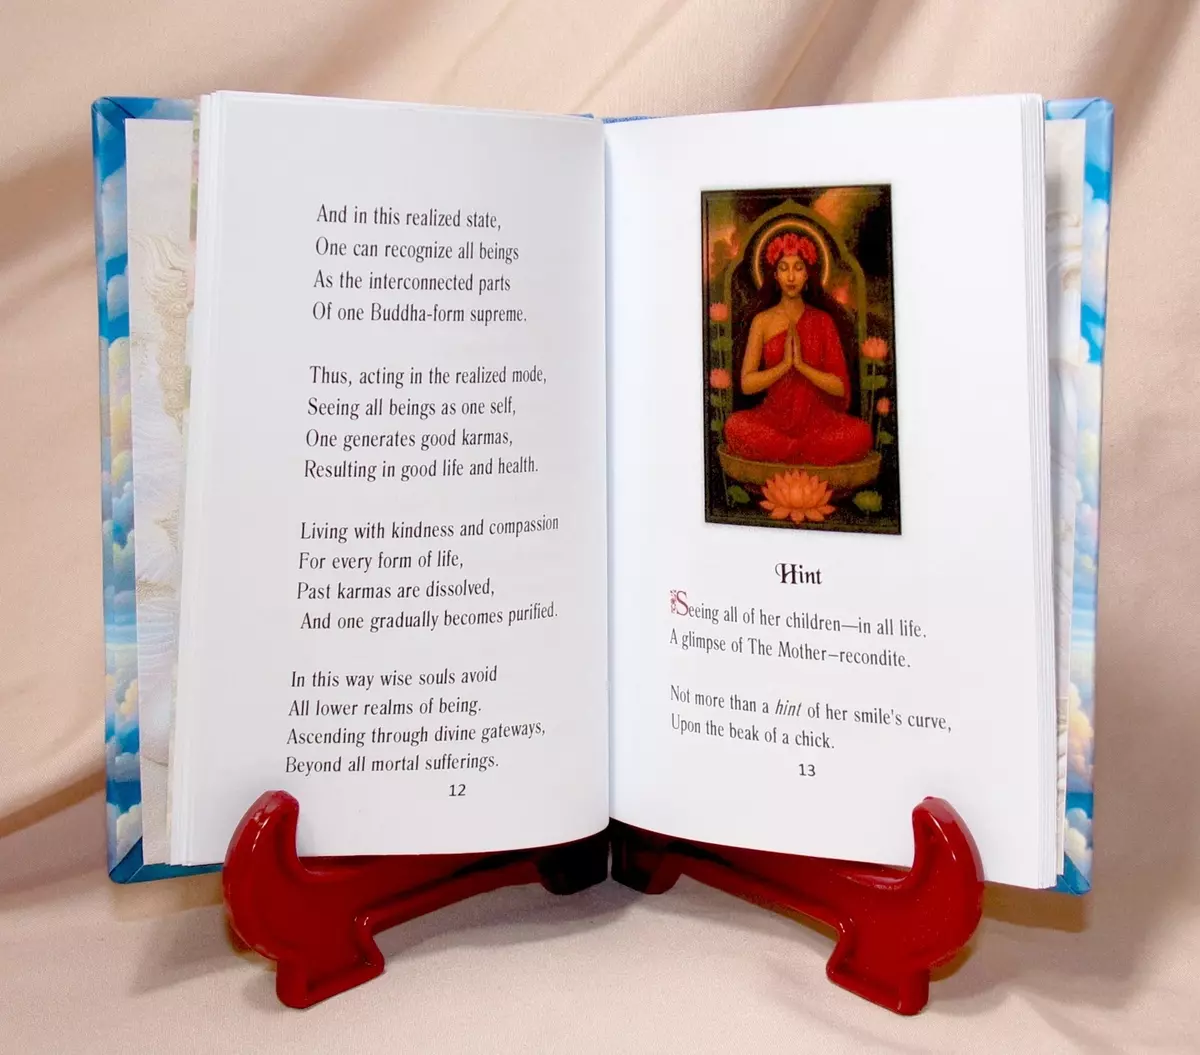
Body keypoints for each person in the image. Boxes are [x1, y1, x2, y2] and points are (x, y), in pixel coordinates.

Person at [723, 232, 872, 466]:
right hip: (773, 421)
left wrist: (802, 366)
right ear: (775, 275)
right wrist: (784, 366)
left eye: (798, 268)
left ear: (807, 275)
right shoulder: (762, 321)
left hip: (819, 423)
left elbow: (839, 386)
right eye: (784, 268)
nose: (791, 276)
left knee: (862, 434)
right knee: (734, 426)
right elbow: (747, 383)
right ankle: (801, 452)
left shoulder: (823, 321)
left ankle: (790, 452)